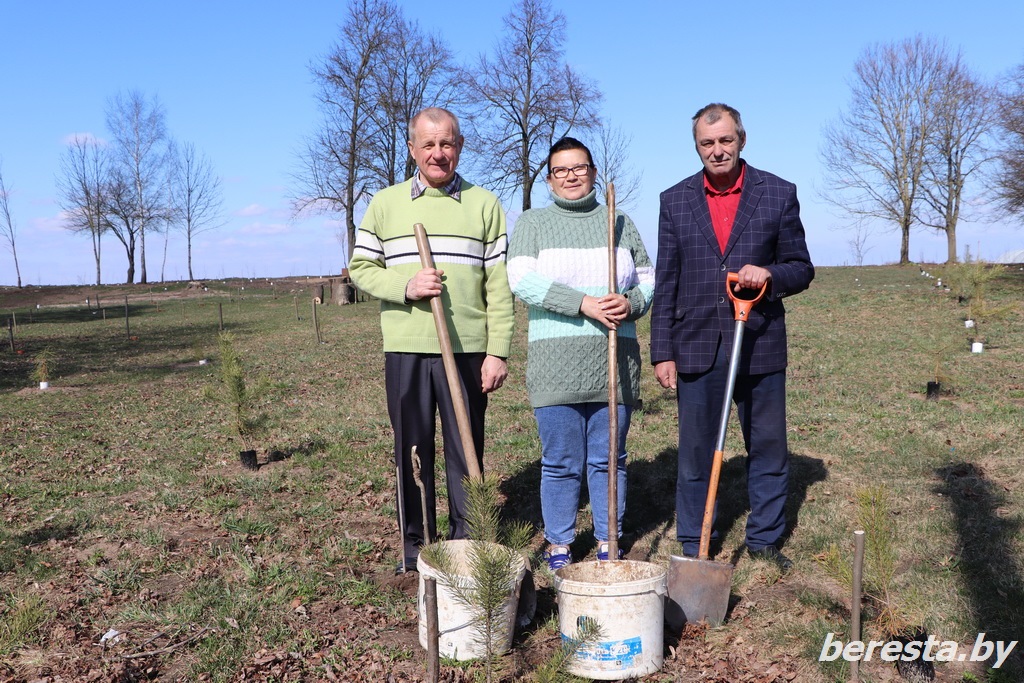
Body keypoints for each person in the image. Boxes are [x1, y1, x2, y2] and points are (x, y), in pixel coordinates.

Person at [349, 107, 515, 574]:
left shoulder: (484, 204)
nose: (438, 153)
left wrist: (497, 350)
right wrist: (406, 286)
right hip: (406, 346)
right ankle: (416, 549)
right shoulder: (385, 204)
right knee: (412, 449)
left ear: (459, 146)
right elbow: (361, 269)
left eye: (447, 144)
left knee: (466, 449)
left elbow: (498, 286)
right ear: (412, 149)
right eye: (428, 144)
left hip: (465, 351)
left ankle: (467, 547)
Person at [650, 103, 814, 570]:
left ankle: (764, 540)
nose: (717, 150)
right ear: (696, 147)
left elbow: (802, 267)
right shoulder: (675, 199)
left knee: (766, 447)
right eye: (707, 143)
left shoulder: (778, 193)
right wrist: (662, 351)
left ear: (741, 139)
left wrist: (771, 274)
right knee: (696, 452)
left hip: (759, 340)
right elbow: (668, 280)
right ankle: (693, 541)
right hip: (697, 344)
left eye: (725, 140)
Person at [508, 137, 655, 570]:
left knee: (610, 459)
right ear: (550, 179)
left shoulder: (619, 221)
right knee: (560, 461)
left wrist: (631, 302)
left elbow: (648, 278)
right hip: (555, 364)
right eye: (561, 170)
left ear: (593, 171)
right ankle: (559, 543)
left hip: (615, 359)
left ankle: (610, 538)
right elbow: (521, 280)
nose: (571, 176)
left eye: (579, 167)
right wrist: (583, 303)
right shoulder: (533, 224)